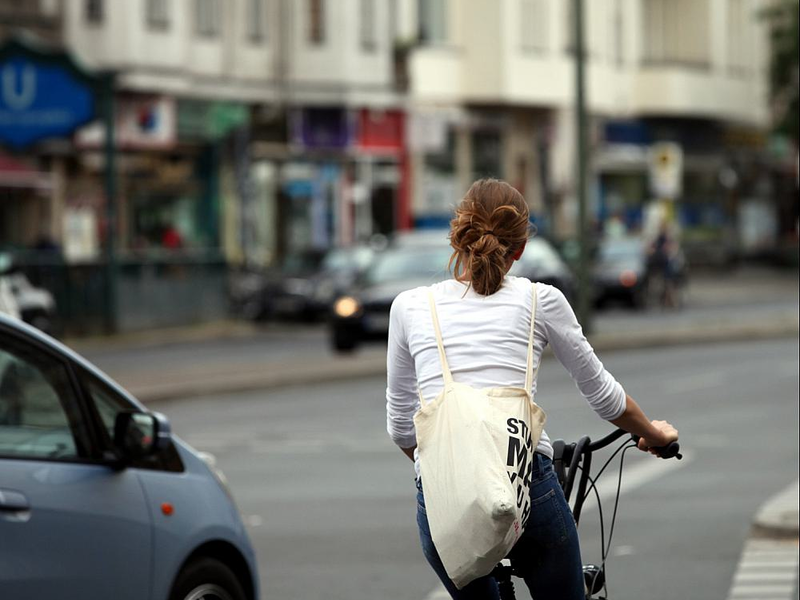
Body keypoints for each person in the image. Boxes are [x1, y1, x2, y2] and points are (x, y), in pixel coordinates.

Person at [386, 179, 678, 600]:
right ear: (520, 249)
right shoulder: (542, 300)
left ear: (458, 235)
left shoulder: (410, 307)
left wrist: (456, 468)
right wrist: (653, 432)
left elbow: (401, 427)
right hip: (528, 485)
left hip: (442, 502)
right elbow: (603, 396)